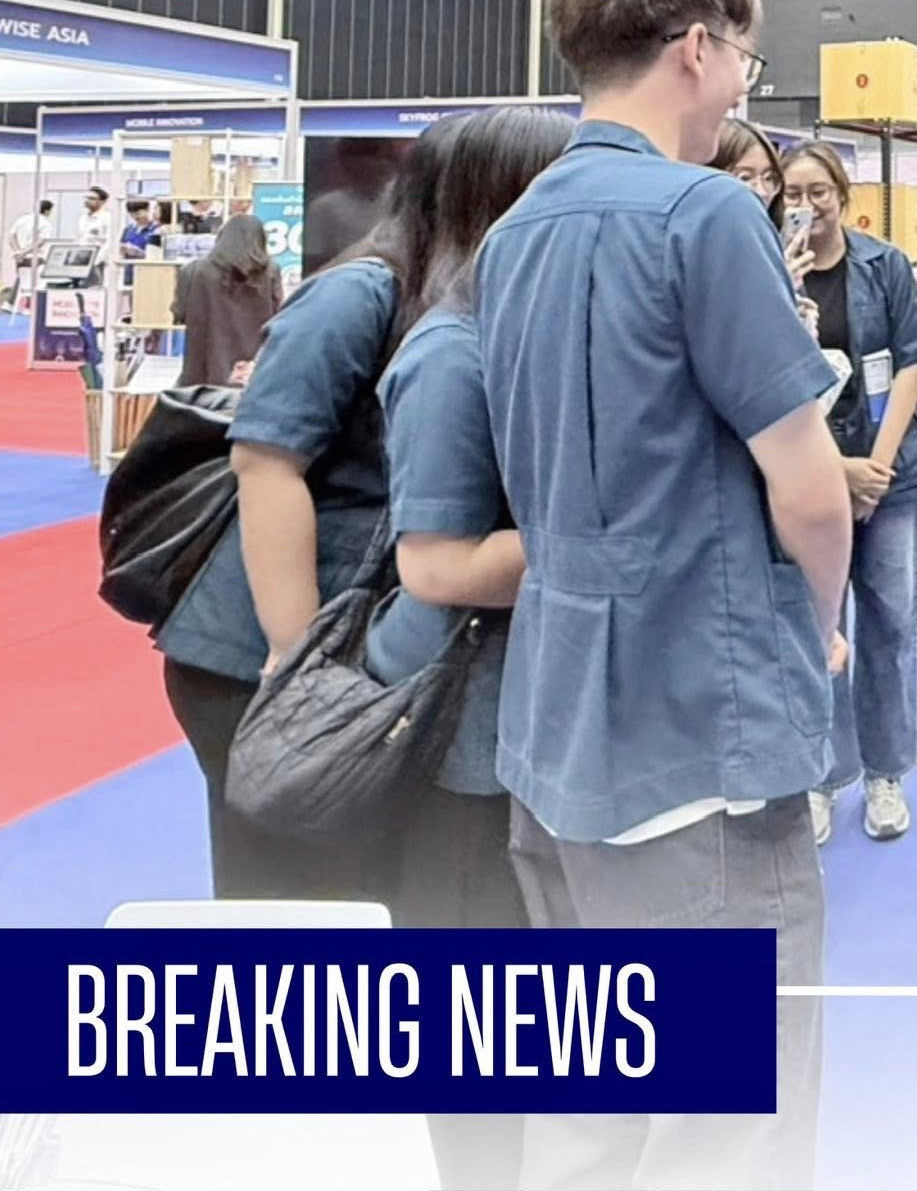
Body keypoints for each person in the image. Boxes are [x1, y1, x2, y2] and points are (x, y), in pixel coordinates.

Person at [474, 0, 852, 1191]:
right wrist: (819, 622)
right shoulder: (704, 213)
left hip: (558, 728)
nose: (744, 81)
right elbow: (810, 488)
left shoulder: (516, 229)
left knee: (587, 1103)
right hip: (699, 733)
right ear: (697, 47)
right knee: (726, 1124)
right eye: (743, 54)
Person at [154, 121, 465, 903]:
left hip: (339, 645)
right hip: (254, 652)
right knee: (286, 900)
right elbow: (266, 465)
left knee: (351, 886)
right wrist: (296, 661)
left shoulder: (437, 301)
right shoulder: (361, 292)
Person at [361, 106, 571, 1191]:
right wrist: (618, 535)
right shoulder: (451, 353)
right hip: (462, 738)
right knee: (476, 1014)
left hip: (526, 728)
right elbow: (437, 568)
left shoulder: (524, 336)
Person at [781, 141, 917, 846]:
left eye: (819, 192)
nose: (807, 206)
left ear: (843, 198)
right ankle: (824, 775)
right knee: (816, 629)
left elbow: (912, 361)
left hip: (887, 473)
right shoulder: (768, 273)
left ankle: (885, 773)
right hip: (808, 476)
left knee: (891, 621)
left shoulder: (885, 266)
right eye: (793, 193)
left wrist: (875, 468)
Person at [716, 116, 819, 331]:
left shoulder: (773, 249)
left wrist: (797, 319)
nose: (762, 191)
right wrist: (774, 291)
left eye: (769, 178)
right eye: (745, 178)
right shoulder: (699, 252)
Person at [172, 213, 283, 386]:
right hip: (254, 373)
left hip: (203, 373)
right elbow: (278, 315)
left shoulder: (193, 271)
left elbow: (179, 313)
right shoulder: (271, 272)